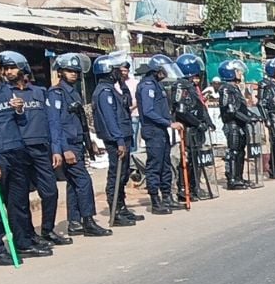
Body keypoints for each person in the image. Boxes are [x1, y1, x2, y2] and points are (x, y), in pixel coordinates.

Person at [0, 51, 52, 264]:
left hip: (16, 152)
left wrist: (18, 110)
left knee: (19, 203)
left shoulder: (8, 91)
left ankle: (23, 243)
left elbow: (20, 123)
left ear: (1, 72)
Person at [0, 51, 65, 248]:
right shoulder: (4, 93)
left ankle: (47, 229)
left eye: (12, 67)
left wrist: (56, 148)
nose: (9, 72)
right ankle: (28, 234)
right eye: (6, 69)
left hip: (41, 150)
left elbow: (52, 121)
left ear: (23, 68)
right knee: (19, 198)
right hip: (18, 151)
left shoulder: (40, 92)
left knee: (50, 192)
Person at [48, 53, 112, 238]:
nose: (74, 74)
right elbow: (54, 124)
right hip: (68, 146)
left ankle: (75, 222)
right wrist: (63, 148)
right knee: (83, 182)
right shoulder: (57, 93)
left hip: (77, 143)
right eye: (69, 71)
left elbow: (80, 122)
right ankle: (89, 221)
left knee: (74, 184)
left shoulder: (74, 92)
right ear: (60, 72)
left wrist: (89, 142)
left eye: (76, 71)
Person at [91, 52, 141, 227]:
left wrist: (122, 84)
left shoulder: (114, 89)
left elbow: (127, 103)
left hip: (123, 135)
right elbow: (111, 119)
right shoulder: (104, 92)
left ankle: (122, 207)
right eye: (115, 70)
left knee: (124, 173)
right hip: (115, 139)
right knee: (116, 174)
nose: (119, 72)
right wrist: (119, 141)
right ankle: (115, 211)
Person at [137, 54, 185, 214]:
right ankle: (155, 201)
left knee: (165, 165)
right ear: (157, 70)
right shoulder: (147, 86)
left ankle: (167, 197)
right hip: (153, 131)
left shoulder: (157, 85)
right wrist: (169, 123)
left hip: (162, 131)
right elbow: (148, 111)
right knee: (155, 167)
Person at [172, 53, 216, 201]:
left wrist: (208, 122)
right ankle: (184, 189)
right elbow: (181, 111)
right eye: (195, 76)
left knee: (196, 160)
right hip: (188, 129)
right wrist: (198, 123)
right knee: (187, 160)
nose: (197, 79)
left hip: (197, 129)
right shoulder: (180, 86)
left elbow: (201, 107)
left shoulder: (193, 88)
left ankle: (195, 186)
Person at [217, 60, 253, 190]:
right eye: (237, 71)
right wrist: (246, 119)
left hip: (240, 124)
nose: (240, 73)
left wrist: (251, 116)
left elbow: (240, 107)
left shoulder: (235, 88)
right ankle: (232, 179)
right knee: (233, 151)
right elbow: (230, 110)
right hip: (232, 125)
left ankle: (239, 177)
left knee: (240, 152)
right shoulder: (226, 88)